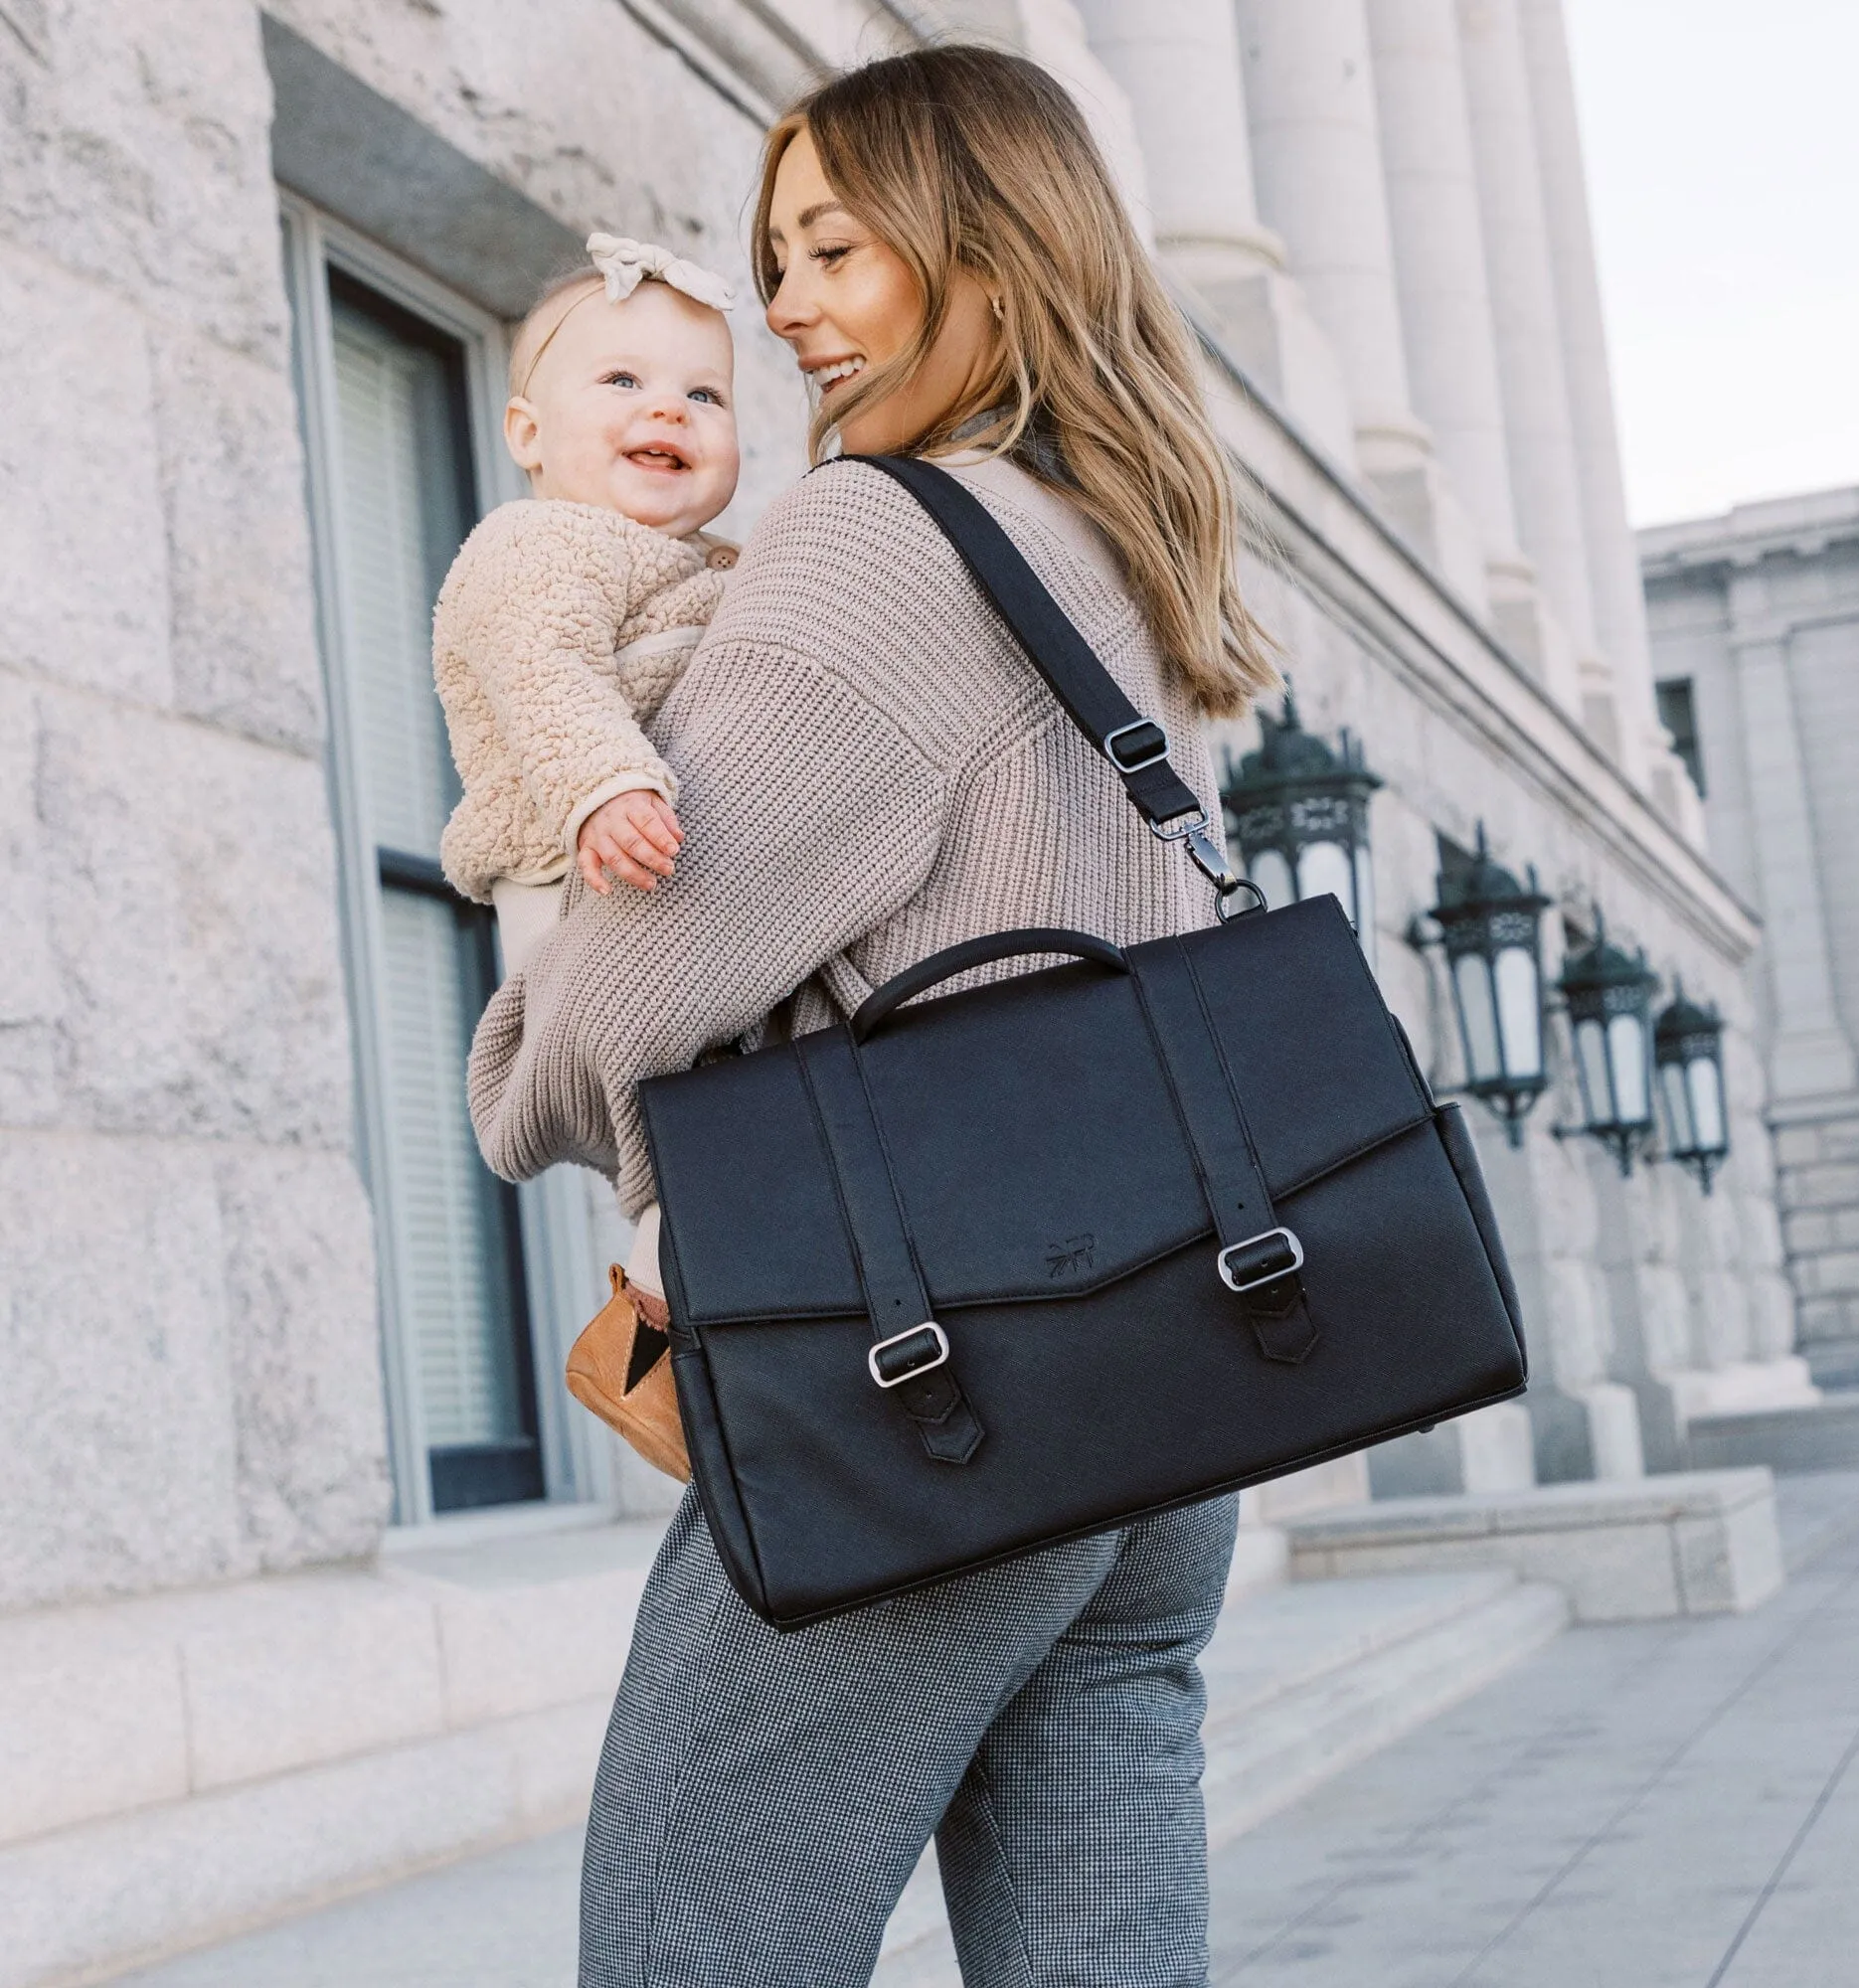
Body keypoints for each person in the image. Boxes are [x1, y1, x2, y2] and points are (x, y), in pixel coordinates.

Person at [467, 43, 1278, 1988]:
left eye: (834, 246)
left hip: (939, 1376)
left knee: (689, 1942)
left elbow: (659, 962)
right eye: (775, 254)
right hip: (1179, 1364)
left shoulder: (880, 541)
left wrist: (523, 1071)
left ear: (980, 243)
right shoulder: (1126, 546)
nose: (783, 305)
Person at [433, 233, 741, 970]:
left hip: (671, 871)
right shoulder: (532, 544)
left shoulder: (717, 563)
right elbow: (545, 674)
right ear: (529, 433)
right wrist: (604, 787)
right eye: (622, 381)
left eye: (704, 394)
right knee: (590, 1065)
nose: (669, 410)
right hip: (571, 872)